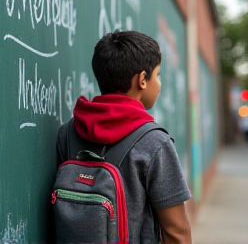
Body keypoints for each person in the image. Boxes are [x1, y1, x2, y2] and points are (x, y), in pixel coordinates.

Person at [57, 30, 192, 243]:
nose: (159, 82)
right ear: (142, 80)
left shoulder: (68, 132)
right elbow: (176, 231)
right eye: (157, 75)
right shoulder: (155, 142)